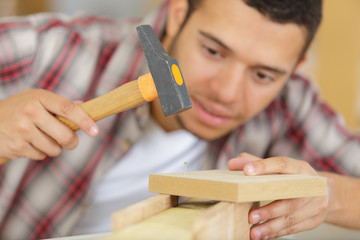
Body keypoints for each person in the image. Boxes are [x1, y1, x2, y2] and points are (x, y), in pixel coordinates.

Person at [0, 0, 359, 239]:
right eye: (214, 51)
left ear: (293, 70)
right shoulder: (46, 49)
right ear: (177, 14)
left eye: (263, 75)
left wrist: (329, 196)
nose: (228, 93)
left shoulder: (290, 102)